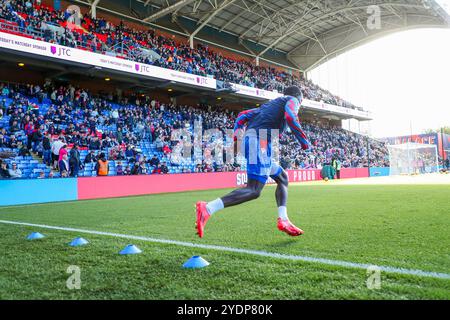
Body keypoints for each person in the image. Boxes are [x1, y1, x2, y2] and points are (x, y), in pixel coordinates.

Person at [195, 86, 310, 238]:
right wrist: (304, 142)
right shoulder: (292, 100)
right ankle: (208, 208)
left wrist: (236, 141)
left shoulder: (268, 105)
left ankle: (284, 219)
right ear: (299, 99)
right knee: (254, 190)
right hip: (258, 141)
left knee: (282, 177)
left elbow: (243, 116)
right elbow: (290, 116)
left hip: (259, 142)